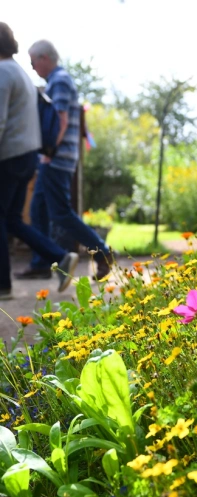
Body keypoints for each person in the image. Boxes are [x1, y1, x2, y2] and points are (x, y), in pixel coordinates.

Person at [17, 39, 112, 281]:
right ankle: (41, 262)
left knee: (60, 213)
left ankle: (103, 251)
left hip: (56, 159)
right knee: (38, 209)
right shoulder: (58, 81)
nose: (32, 67)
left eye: (32, 62)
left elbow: (59, 120)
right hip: (55, 158)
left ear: (44, 58)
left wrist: (48, 152)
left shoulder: (59, 81)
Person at [0, 22, 78, 300]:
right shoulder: (20, 71)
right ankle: (60, 257)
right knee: (13, 219)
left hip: (9, 155)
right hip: (28, 155)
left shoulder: (2, 72)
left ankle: (2, 285)